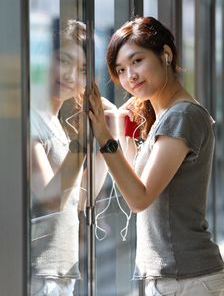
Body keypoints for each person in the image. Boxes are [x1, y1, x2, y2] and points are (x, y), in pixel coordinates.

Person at [88, 16, 224, 296]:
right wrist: (122, 126)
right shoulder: (166, 116)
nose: (130, 76)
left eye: (137, 61)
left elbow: (139, 198)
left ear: (165, 54)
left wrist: (104, 137)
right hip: (177, 278)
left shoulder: (181, 116)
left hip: (187, 280)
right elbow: (135, 183)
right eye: (121, 69)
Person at [31, 20, 87, 296]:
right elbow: (50, 199)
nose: (70, 75)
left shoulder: (59, 125)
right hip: (40, 275)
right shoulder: (30, 120)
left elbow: (83, 198)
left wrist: (106, 135)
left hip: (64, 272)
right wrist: (83, 143)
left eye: (81, 70)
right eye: (64, 61)